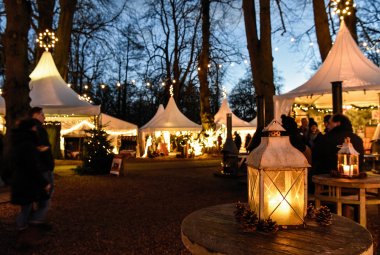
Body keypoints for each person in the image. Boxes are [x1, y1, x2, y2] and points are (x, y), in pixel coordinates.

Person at [10, 118, 51, 232]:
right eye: (33, 127)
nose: (35, 130)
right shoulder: (28, 144)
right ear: (29, 129)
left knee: (26, 207)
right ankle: (23, 230)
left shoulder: (18, 142)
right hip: (26, 181)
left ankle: (25, 227)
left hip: (21, 180)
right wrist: (44, 183)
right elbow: (32, 167)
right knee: (27, 207)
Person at [28, 107, 55, 229]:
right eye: (42, 114)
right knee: (46, 195)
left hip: (35, 168)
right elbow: (42, 149)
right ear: (36, 114)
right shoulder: (38, 129)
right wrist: (48, 163)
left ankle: (33, 219)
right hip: (43, 168)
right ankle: (36, 220)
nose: (44, 117)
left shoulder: (27, 128)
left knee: (38, 194)